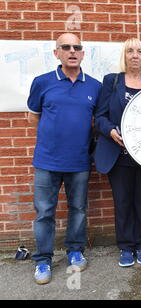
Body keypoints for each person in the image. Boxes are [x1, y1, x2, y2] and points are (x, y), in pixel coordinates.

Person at [27, 33, 102, 284]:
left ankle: (75, 251)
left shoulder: (94, 86)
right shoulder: (42, 82)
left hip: (79, 161)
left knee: (78, 210)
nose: (72, 51)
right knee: (45, 213)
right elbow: (33, 116)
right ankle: (43, 261)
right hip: (47, 161)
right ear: (56, 53)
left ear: (82, 53)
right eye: (66, 47)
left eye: (77, 47)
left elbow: (95, 122)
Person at [93, 38, 141, 267]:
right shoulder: (112, 82)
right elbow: (99, 117)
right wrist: (110, 130)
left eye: (139, 51)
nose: (135, 55)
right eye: (130, 51)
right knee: (122, 202)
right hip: (118, 156)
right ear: (124, 56)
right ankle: (125, 246)